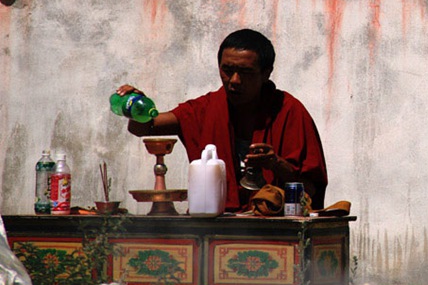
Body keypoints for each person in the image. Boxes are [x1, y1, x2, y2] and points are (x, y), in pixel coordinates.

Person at [118, 29, 328, 211]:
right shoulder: (206, 108)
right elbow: (145, 128)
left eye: (245, 72)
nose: (234, 81)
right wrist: (136, 107)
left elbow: (310, 188)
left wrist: (275, 164)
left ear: (266, 74)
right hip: (218, 221)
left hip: (273, 223)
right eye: (227, 70)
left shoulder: (289, 111)